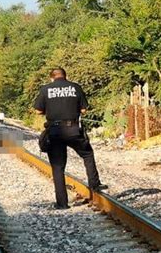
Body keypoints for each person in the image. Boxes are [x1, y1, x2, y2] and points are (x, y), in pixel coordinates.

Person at [33, 67, 107, 209]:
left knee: (58, 167)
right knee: (87, 154)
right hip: (73, 130)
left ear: (52, 78)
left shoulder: (45, 89)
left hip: (54, 131)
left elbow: (38, 110)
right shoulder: (75, 87)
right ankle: (95, 184)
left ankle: (62, 204)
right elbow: (84, 110)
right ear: (65, 76)